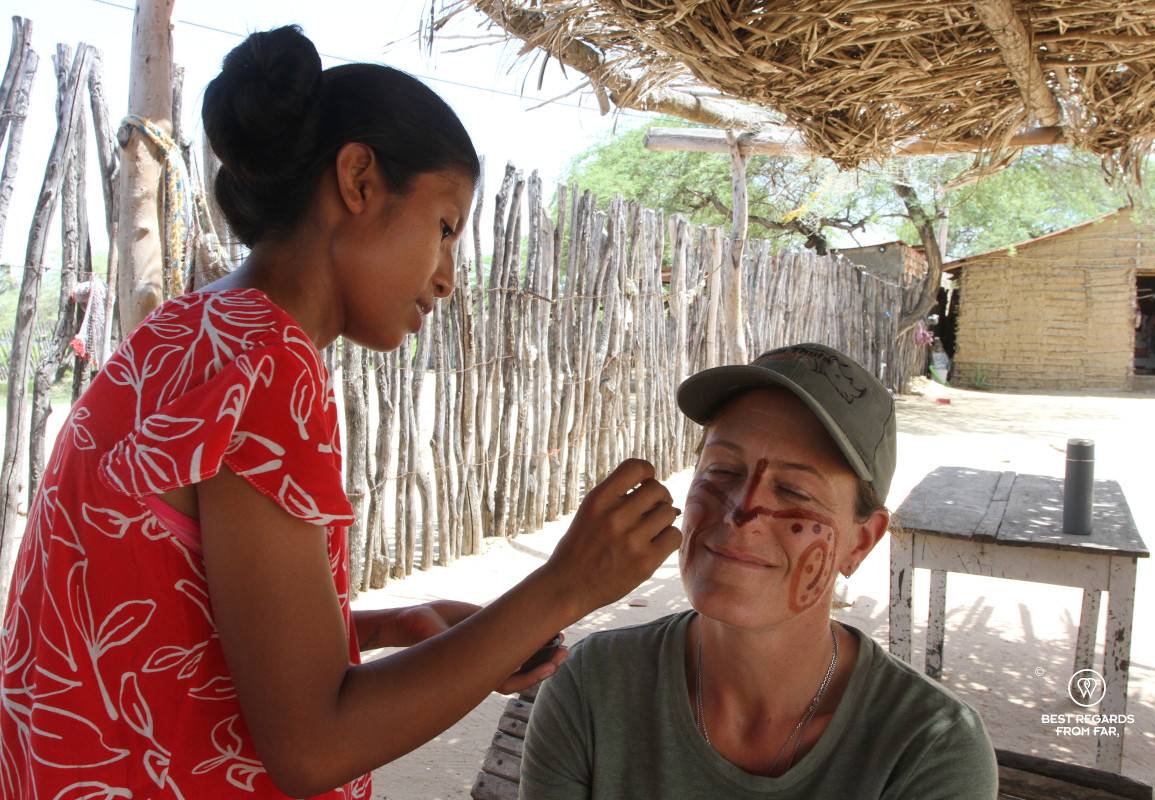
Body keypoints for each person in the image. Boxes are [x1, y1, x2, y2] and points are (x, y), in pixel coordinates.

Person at [0, 26, 681, 799]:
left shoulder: (184, 335)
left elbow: (172, 627)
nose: (450, 275)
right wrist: (563, 587)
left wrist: (388, 626)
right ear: (358, 179)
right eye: (446, 227)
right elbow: (313, 748)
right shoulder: (269, 370)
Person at [520, 344, 999, 799]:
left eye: (794, 490)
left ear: (862, 542)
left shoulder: (930, 748)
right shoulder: (595, 688)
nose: (742, 512)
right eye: (722, 471)